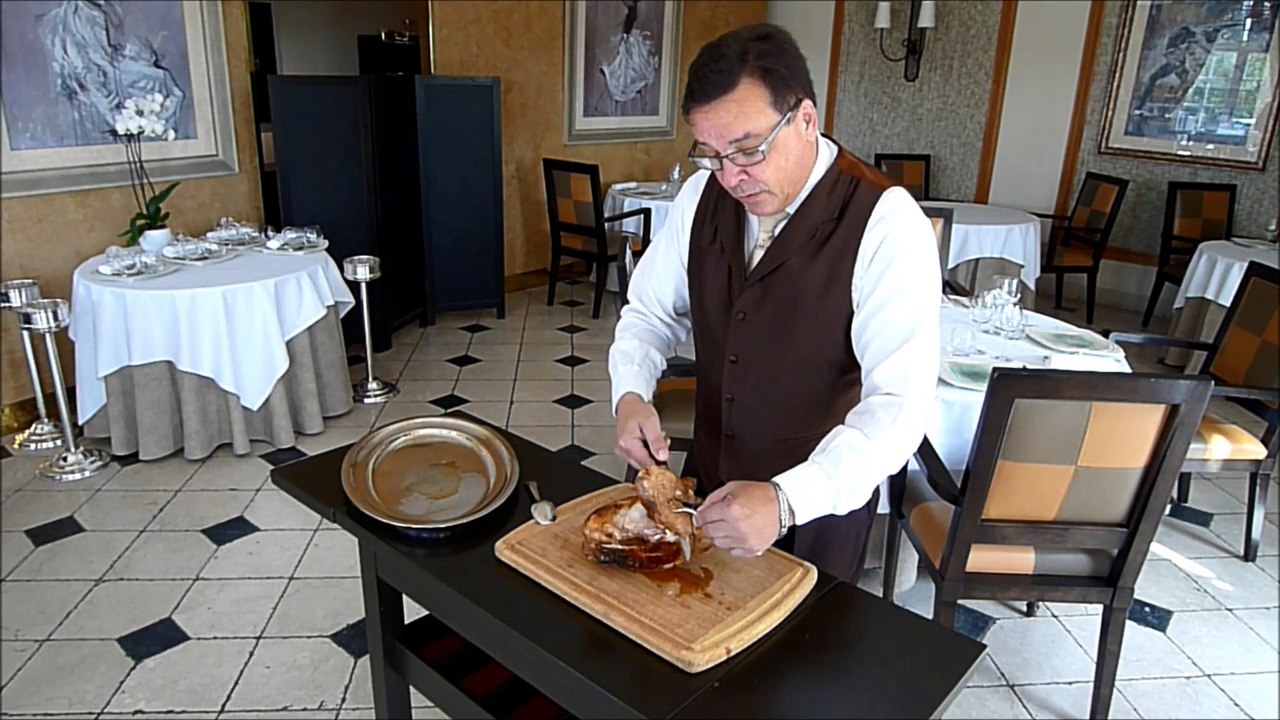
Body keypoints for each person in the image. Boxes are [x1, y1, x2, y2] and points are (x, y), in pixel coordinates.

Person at [608, 23, 940, 584]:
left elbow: (898, 407)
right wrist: (631, 394)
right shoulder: (700, 197)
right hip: (706, 486)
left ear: (805, 120)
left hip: (817, 512)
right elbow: (649, 313)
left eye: (748, 150)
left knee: (797, 663)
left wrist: (787, 501)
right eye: (711, 154)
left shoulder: (885, 222)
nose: (731, 176)